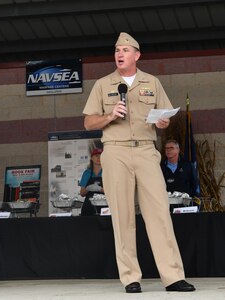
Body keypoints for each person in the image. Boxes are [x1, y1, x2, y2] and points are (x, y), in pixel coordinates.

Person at [83, 32, 195, 293]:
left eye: (124, 50)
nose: (119, 54)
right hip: (116, 151)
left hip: (146, 151)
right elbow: (88, 121)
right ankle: (130, 277)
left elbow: (164, 116)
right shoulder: (103, 84)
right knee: (122, 217)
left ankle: (173, 277)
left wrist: (163, 122)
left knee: (159, 213)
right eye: (116, 50)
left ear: (136, 55)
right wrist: (110, 115)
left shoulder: (152, 82)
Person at [79, 148, 104, 216]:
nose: (99, 158)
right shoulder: (87, 173)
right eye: (96, 156)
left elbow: (112, 192)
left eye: (101, 156)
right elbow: (82, 193)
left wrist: (100, 189)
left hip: (104, 207)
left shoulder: (107, 172)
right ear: (91, 158)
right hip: (89, 207)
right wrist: (87, 189)